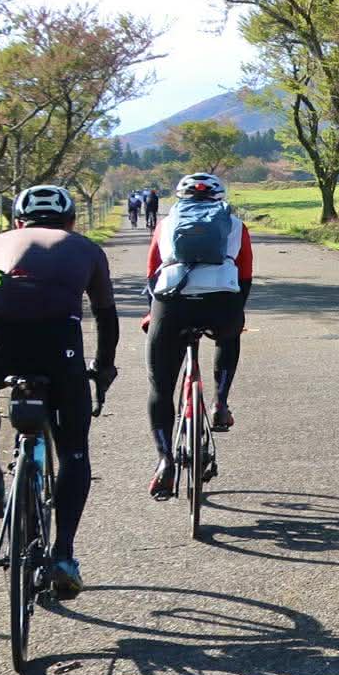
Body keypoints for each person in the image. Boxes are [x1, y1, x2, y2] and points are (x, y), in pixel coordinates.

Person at [0, 183, 118, 597]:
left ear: (18, 222)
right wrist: (103, 369)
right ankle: (63, 555)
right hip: (59, 348)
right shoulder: (85, 248)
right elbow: (106, 316)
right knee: (74, 450)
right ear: (71, 221)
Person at [143, 172, 253, 498]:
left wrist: (152, 314)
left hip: (172, 305)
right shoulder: (236, 225)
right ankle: (220, 403)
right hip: (222, 303)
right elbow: (245, 276)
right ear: (219, 198)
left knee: (160, 387)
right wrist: (235, 314)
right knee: (230, 336)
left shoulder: (166, 224)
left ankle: (165, 460)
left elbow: (152, 273)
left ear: (181, 198)